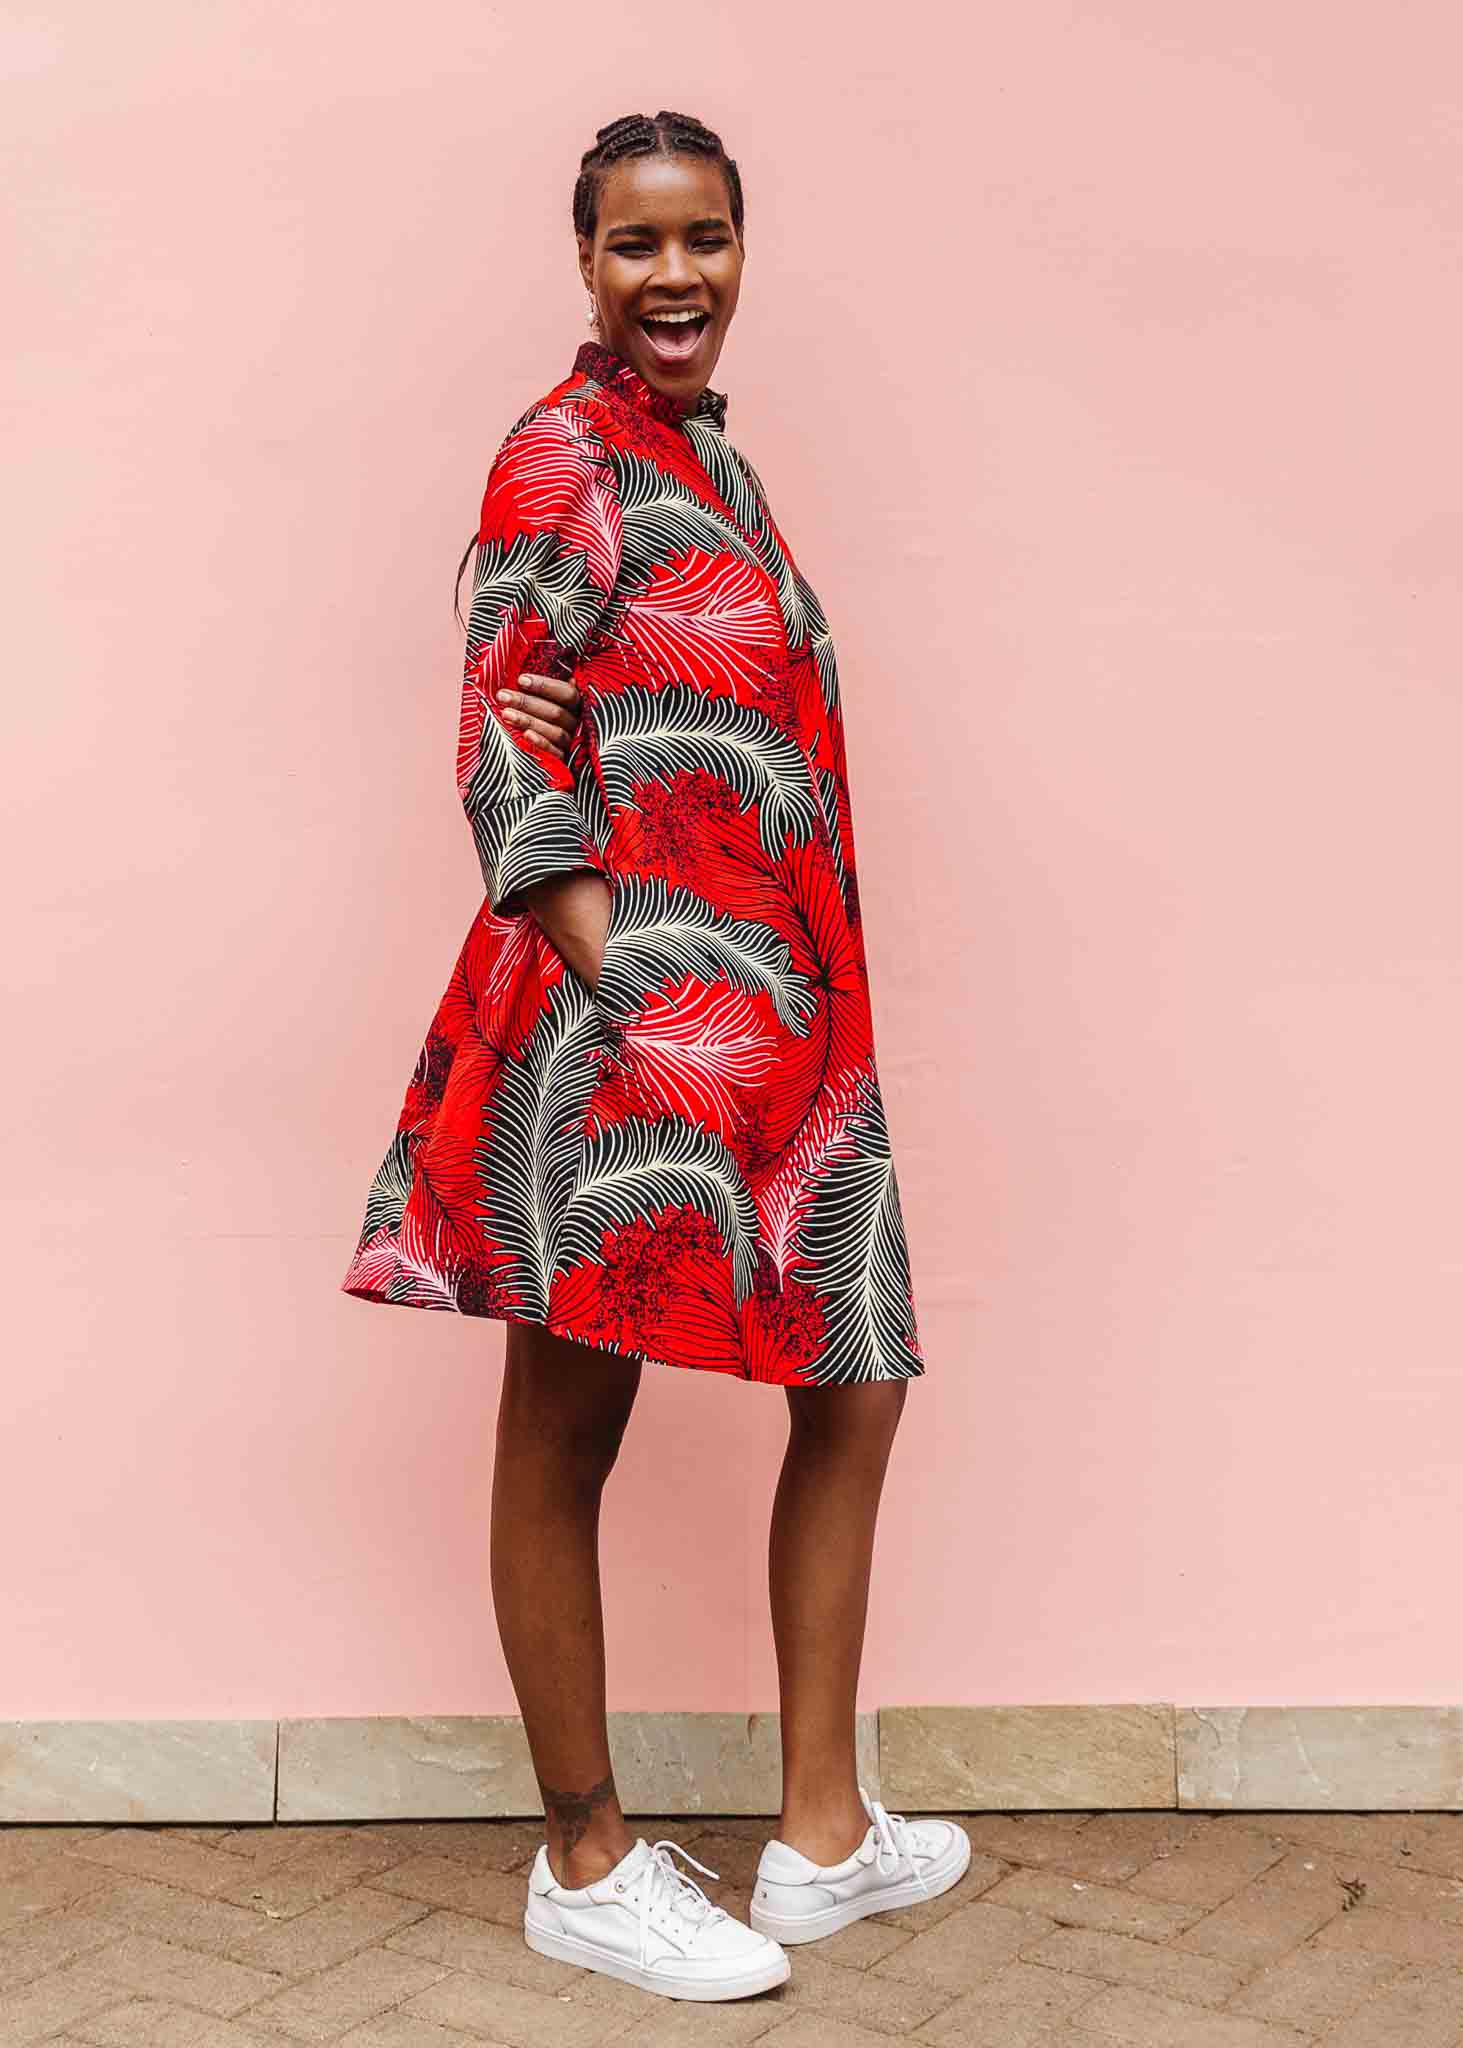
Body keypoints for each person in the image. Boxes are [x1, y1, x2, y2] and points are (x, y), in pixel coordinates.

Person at [341, 109, 970, 2002]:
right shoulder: (556, 456)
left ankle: (822, 1839)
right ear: (586, 263)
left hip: (783, 1032)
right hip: (631, 1032)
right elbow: (499, 750)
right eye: (634, 244)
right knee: (568, 1424)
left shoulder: (710, 460)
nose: (673, 275)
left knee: (852, 1384)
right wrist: (631, 985)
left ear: (743, 249)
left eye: (704, 238)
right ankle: (586, 1855)